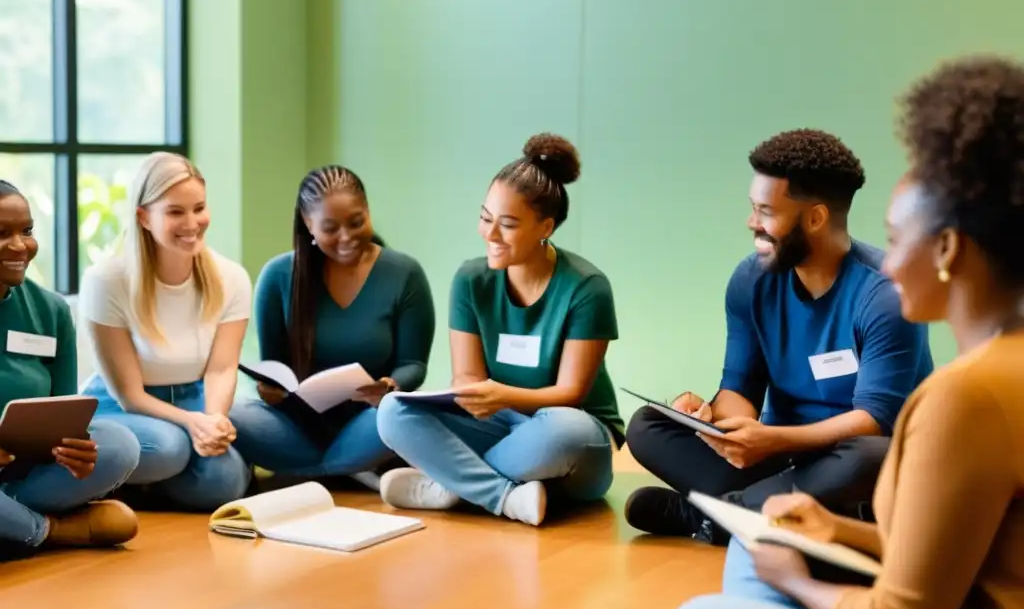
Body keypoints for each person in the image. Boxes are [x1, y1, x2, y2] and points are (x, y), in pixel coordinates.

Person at [666, 55, 1024, 609]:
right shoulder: (1005, 368)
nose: (887, 264)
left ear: (946, 251)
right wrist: (836, 531)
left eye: (896, 238)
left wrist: (803, 582)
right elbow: (968, 547)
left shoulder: (964, 395)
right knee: (759, 541)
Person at [625, 128, 933, 543]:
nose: (752, 222)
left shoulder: (884, 293)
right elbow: (740, 389)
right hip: (780, 459)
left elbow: (873, 423)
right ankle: (757, 514)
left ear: (815, 218)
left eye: (765, 211)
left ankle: (712, 517)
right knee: (648, 425)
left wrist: (772, 440)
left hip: (848, 456)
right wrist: (710, 420)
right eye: (753, 208)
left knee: (868, 458)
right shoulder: (750, 281)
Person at [375, 133, 622, 527]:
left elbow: (571, 395)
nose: (490, 235)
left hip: (570, 434)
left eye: (507, 225)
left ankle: (452, 487)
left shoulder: (586, 287)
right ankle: (504, 496)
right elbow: (468, 378)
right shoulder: (471, 280)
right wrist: (476, 395)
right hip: (499, 423)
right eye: (485, 218)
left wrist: (500, 396)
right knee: (392, 411)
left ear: (546, 227)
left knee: (564, 430)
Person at [228, 166, 435, 487]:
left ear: (367, 211)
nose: (346, 238)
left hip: (369, 421)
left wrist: (389, 384)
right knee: (230, 412)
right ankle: (347, 470)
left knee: (404, 414)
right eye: (330, 228)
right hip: (296, 427)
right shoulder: (278, 276)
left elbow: (414, 364)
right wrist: (270, 391)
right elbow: (275, 370)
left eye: (356, 222)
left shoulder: (404, 273)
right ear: (308, 224)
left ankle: (311, 472)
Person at [78, 152, 252, 512]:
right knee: (169, 448)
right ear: (143, 217)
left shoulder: (231, 277)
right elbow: (130, 396)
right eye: (175, 212)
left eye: (199, 208)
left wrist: (214, 419)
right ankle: (130, 476)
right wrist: (192, 423)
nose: (192, 223)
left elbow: (221, 368)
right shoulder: (106, 281)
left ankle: (131, 487)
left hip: (193, 397)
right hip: (120, 406)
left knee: (225, 483)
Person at [0, 180, 139, 554]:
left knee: (120, 444)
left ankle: (10, 521)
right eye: (2, 234)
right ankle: (51, 530)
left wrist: (78, 451)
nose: (19, 246)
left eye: (26, 231)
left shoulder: (51, 311)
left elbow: (63, 410)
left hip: (22, 472)